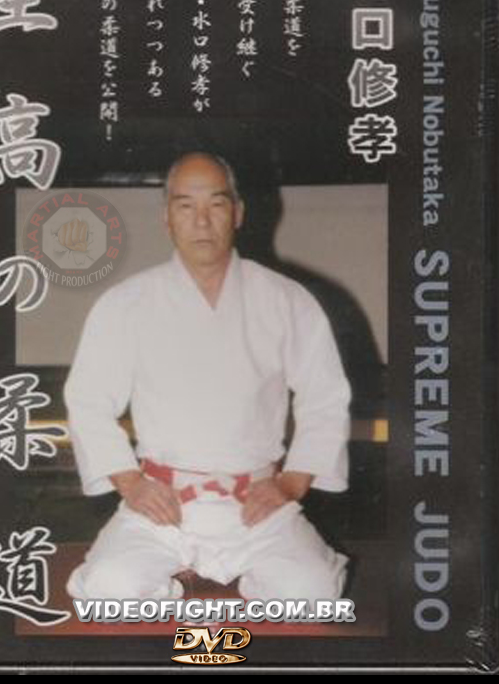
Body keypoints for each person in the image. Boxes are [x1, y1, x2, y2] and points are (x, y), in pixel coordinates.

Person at [64, 152, 351, 604]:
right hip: (163, 504)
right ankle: (176, 581)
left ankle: (249, 579)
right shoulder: (127, 303)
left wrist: (291, 482)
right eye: (185, 206)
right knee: (108, 592)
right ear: (167, 218)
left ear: (237, 213)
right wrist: (131, 483)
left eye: (216, 204)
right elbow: (88, 401)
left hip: (256, 503)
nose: (201, 221)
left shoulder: (285, 299)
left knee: (312, 597)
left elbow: (325, 397)